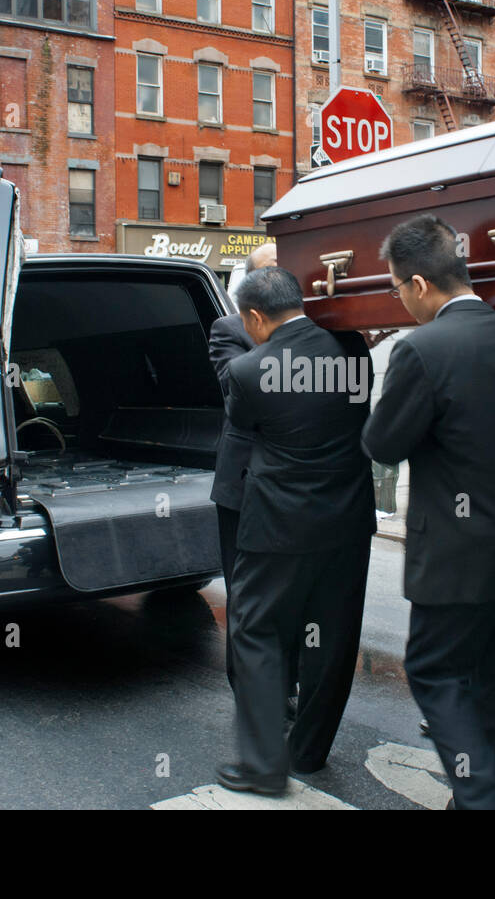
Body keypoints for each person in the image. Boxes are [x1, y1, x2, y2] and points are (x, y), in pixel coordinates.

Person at [362, 213, 495, 810]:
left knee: (434, 672)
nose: (398, 300)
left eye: (396, 288)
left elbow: (383, 445)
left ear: (420, 285)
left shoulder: (423, 349)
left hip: (459, 558)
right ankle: (483, 792)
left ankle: (481, 799)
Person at [216, 267, 376, 795]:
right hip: (348, 520)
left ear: (256, 317)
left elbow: (245, 429)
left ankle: (264, 764)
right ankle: (309, 752)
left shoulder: (246, 371)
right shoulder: (352, 351)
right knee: (333, 636)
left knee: (255, 629)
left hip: (278, 525)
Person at [208, 242, 289, 700]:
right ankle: (251, 688)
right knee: (246, 589)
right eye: (270, 271)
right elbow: (236, 393)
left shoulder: (307, 330)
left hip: (290, 481)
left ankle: (286, 680)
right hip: (242, 481)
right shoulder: (229, 329)